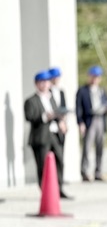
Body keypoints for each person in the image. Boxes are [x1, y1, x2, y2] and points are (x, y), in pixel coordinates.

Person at [24, 70, 71, 199]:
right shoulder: (31, 101)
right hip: (40, 136)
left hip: (54, 134)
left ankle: (59, 188)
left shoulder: (52, 98)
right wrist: (45, 116)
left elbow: (57, 113)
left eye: (47, 82)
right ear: (37, 84)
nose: (45, 85)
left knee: (60, 161)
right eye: (42, 82)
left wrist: (61, 121)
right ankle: (45, 190)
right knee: (43, 165)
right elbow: (29, 116)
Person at [75, 65, 107, 182]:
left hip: (100, 119)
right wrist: (80, 122)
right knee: (87, 147)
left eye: (97, 77)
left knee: (100, 147)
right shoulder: (82, 91)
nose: (95, 79)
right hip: (89, 120)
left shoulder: (102, 91)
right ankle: (84, 171)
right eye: (93, 77)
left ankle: (98, 171)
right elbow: (79, 108)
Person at [47, 67, 70, 190]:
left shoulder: (61, 92)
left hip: (60, 128)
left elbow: (63, 108)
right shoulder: (47, 92)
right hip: (51, 128)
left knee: (61, 156)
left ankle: (60, 182)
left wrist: (64, 122)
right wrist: (58, 120)